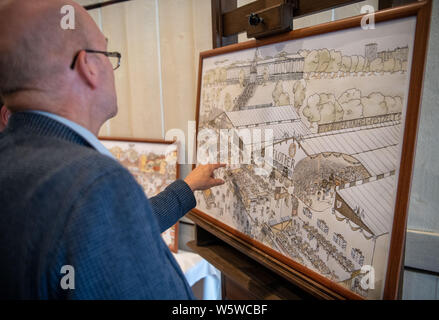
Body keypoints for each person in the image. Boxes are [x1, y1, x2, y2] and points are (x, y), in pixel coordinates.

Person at [0, 0, 224, 299]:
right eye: (107, 53)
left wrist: (187, 186)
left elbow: (105, 234)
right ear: (88, 66)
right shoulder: (94, 182)